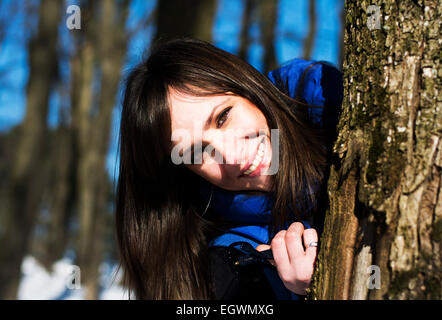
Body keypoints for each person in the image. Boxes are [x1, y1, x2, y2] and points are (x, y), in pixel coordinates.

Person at [115, 38, 343, 300]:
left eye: (223, 117)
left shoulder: (330, 100)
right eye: (197, 153)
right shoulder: (233, 269)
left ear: (247, 88)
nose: (233, 156)